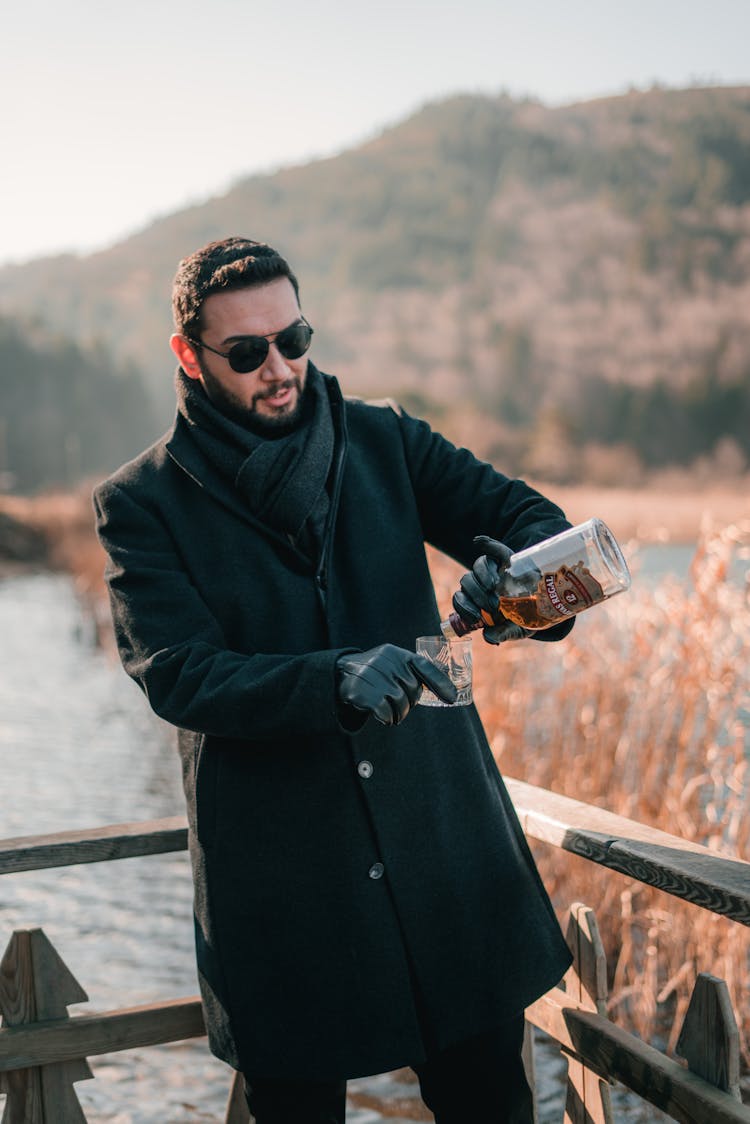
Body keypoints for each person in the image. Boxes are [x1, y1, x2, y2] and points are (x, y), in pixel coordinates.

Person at [94, 237, 576, 1124]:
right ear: (188, 356)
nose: (279, 368)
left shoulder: (388, 439)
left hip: (445, 865)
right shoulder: (142, 503)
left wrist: (512, 589)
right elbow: (178, 673)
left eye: (294, 338)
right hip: (285, 902)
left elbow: (535, 525)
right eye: (247, 353)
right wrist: (333, 680)